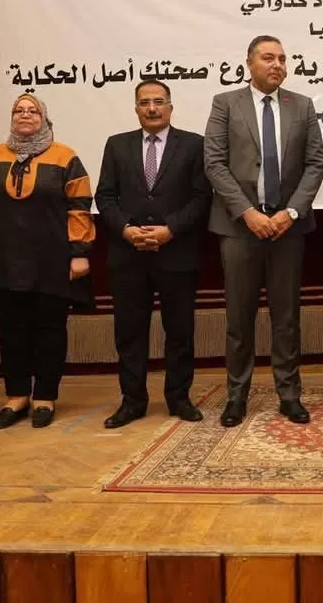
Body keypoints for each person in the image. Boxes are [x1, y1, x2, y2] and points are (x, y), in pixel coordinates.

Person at [204, 35, 323, 427]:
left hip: (288, 228)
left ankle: (289, 395)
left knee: (286, 317)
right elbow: (214, 163)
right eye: (269, 58)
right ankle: (236, 396)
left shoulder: (302, 105)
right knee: (239, 318)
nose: (277, 65)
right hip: (239, 229)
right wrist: (247, 213)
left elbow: (315, 164)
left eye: (283, 59)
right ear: (249, 63)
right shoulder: (226, 103)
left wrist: (291, 212)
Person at [95, 80, 213, 428]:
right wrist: (126, 229)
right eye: (145, 102)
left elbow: (202, 197)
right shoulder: (116, 145)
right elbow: (105, 196)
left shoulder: (193, 145)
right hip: (128, 254)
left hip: (176, 253)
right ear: (136, 108)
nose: (152, 108)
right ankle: (132, 401)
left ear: (170, 107)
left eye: (158, 102)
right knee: (129, 333)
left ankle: (179, 398)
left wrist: (170, 229)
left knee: (180, 331)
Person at [0, 94, 95, 429]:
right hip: (6, 258)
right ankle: (16, 396)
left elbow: (80, 208)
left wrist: (80, 253)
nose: (25, 115)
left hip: (52, 259)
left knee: (49, 330)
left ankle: (44, 396)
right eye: (18, 110)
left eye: (32, 111)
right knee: (11, 331)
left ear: (44, 119)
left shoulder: (65, 156)